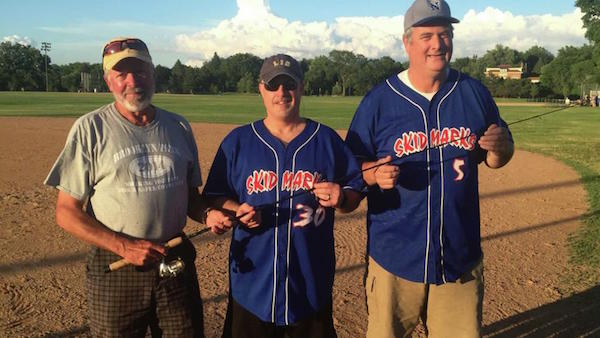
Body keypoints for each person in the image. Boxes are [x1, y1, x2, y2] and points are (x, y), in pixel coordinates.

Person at [345, 0, 515, 337]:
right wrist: (373, 174)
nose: (437, 44)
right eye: (426, 36)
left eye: (445, 34)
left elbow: (497, 157)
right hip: (394, 258)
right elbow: (352, 171)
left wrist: (500, 149)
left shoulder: (473, 93)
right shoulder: (379, 101)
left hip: (459, 256)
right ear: (407, 42)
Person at [44, 37, 231, 337]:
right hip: (116, 263)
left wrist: (208, 213)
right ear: (109, 82)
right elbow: (66, 213)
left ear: (153, 73)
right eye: (121, 74)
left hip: (174, 258)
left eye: (140, 71)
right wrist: (124, 246)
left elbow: (191, 199)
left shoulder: (179, 127)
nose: (133, 81)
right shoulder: (90, 128)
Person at [202, 54, 363, 338]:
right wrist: (236, 208)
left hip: (310, 285)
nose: (281, 93)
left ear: (301, 87)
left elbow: (353, 193)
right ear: (261, 89)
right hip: (252, 287)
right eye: (273, 85)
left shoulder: (326, 140)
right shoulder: (238, 142)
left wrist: (341, 197)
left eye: (288, 84)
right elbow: (215, 195)